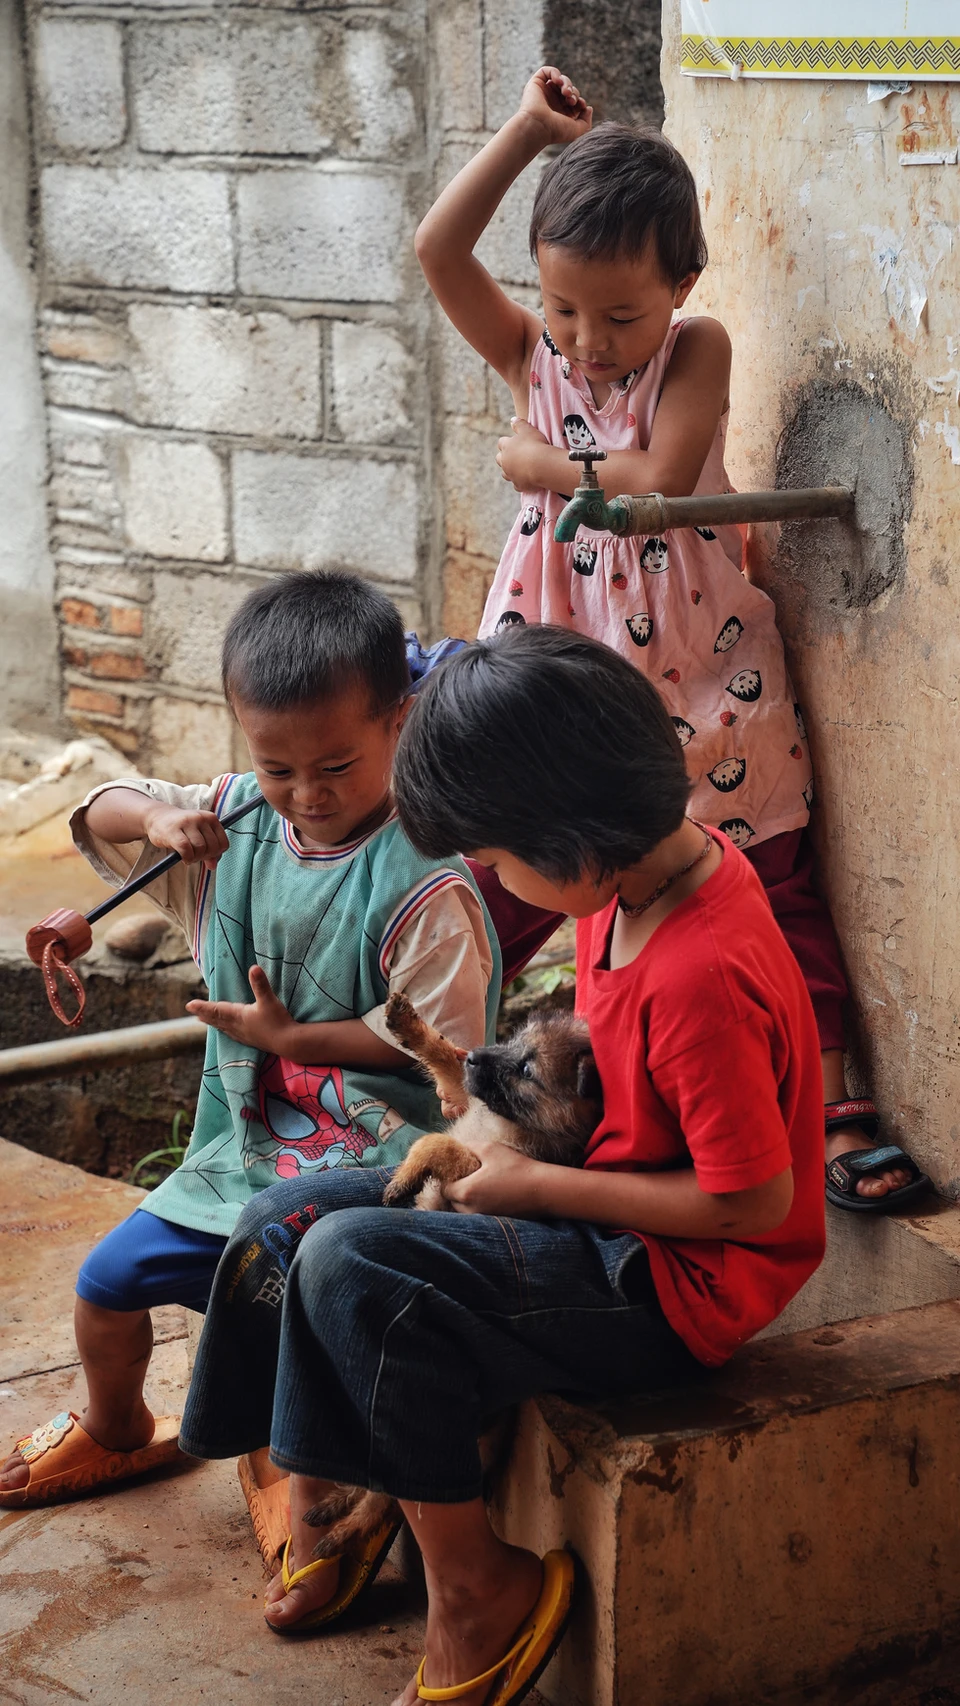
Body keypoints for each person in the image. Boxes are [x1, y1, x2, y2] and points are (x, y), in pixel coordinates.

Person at [180, 625, 825, 1706]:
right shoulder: (636, 886)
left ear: (570, 839)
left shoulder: (699, 971)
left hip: (675, 1283)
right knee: (286, 1219)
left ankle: (479, 1588)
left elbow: (754, 1202)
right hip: (603, 1214)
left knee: (353, 1264)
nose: (494, 879)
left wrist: (535, 1187)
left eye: (498, 857)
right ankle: (326, 1489)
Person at [415, 65, 930, 1213]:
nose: (587, 343)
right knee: (515, 878)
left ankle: (833, 1103)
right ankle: (480, 1093)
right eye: (563, 309)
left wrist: (540, 461)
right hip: (570, 680)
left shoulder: (697, 348)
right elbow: (437, 250)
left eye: (619, 316)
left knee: (770, 871)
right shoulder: (533, 357)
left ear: (681, 284)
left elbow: (655, 472)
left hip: (703, 673)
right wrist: (526, 133)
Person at [0, 572, 501, 1520]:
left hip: (379, 1162)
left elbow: (449, 1055)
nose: (305, 795)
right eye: (277, 768)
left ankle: (298, 1469)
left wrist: (294, 1037)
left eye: (336, 765)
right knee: (105, 1284)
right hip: (241, 1152)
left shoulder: (428, 881)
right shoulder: (231, 824)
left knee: (285, 1301)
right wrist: (157, 820)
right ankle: (117, 1427)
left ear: (399, 721)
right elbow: (103, 806)